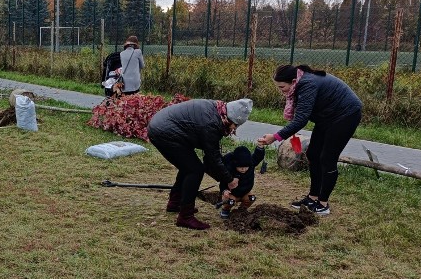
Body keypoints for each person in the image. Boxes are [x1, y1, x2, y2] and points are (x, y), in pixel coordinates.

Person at [257, 64, 363, 216]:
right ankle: (312, 198)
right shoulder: (300, 83)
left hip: (346, 115)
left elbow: (301, 120)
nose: (281, 91)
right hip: (327, 116)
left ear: (293, 81)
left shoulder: (307, 84)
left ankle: (323, 204)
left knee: (327, 158)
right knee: (313, 153)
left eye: (282, 87)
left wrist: (275, 137)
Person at [147, 98, 253, 230]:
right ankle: (185, 217)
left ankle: (175, 203)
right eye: (234, 124)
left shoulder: (217, 110)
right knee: (195, 170)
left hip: (165, 126)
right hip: (164, 132)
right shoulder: (211, 124)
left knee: (188, 166)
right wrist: (229, 180)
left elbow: (211, 158)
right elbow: (212, 158)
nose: (233, 128)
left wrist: (224, 176)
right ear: (228, 116)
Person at [217, 145, 266, 218]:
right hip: (232, 194)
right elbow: (223, 182)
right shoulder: (228, 169)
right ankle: (225, 210)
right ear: (235, 164)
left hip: (245, 193)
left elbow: (257, 156)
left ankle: (242, 210)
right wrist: (224, 191)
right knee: (230, 202)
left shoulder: (251, 164)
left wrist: (260, 147)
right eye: (240, 167)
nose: (243, 169)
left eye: (246, 167)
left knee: (252, 198)